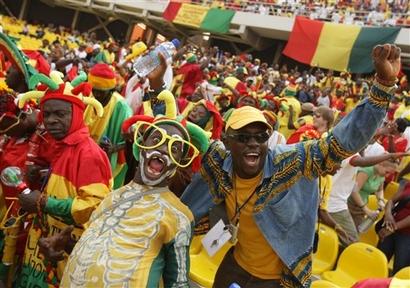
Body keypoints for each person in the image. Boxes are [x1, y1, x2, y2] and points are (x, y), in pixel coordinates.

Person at [181, 44, 401, 287]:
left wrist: (383, 85)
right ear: (228, 141)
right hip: (234, 267)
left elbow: (340, 142)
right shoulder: (220, 164)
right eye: (243, 138)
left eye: (261, 137)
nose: (253, 144)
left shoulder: (289, 163)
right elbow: (169, 135)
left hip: (280, 278)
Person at [60, 100, 209, 287]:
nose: (163, 148)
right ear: (141, 146)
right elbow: (97, 250)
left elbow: (177, 283)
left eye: (175, 148)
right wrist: (66, 245)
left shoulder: (179, 217)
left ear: (178, 163)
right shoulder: (112, 196)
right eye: (156, 139)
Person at [14, 76, 112, 287]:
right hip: (45, 245)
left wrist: (43, 203)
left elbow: (94, 206)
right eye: (47, 114)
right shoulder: (64, 146)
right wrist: (42, 177)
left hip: (64, 252)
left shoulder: (88, 153)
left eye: (60, 114)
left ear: (76, 115)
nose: (50, 120)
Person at [84, 63, 132, 189]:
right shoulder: (89, 97)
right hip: (85, 157)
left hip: (110, 163)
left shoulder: (122, 107)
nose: (96, 95)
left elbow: (132, 140)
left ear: (111, 90)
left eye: (101, 92)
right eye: (94, 90)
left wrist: (114, 148)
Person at [348, 160, 397, 229]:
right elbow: (354, 191)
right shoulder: (366, 171)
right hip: (349, 204)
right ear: (381, 164)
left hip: (361, 206)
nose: (387, 175)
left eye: (390, 174)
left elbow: (379, 190)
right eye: (387, 172)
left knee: (355, 232)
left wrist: (380, 199)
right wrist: (366, 209)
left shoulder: (381, 175)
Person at [377, 181, 410, 274]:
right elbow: (391, 200)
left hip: (407, 236)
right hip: (391, 227)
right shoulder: (408, 185)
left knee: (400, 268)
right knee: (380, 258)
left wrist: (393, 228)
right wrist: (388, 214)